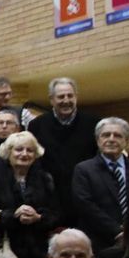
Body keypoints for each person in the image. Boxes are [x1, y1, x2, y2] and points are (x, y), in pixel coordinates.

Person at [72, 117, 129, 258]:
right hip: (98, 243)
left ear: (126, 141)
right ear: (98, 140)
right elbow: (85, 205)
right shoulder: (84, 169)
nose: (111, 139)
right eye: (106, 135)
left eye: (117, 135)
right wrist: (117, 231)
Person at [0, 130, 58, 258]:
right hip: (2, 248)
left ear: (35, 155)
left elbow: (55, 214)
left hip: (37, 251)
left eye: (30, 150)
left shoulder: (45, 179)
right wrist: (11, 215)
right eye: (19, 149)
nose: (24, 154)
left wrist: (38, 217)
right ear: (8, 152)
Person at [29, 77, 100, 221]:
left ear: (76, 97)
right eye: (61, 97)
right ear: (51, 100)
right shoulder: (36, 126)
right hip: (51, 200)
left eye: (70, 96)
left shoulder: (93, 124)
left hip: (86, 196)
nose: (66, 100)